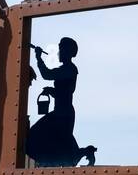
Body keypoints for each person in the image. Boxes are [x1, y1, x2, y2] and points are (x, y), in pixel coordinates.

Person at [25, 38, 98, 167]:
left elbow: (47, 74)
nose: (59, 53)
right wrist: (51, 91)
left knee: (36, 136)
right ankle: (87, 152)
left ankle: (85, 152)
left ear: (67, 52)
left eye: (61, 50)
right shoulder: (68, 69)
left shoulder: (69, 69)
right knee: (61, 145)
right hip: (62, 112)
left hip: (62, 114)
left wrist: (38, 58)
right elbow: (63, 92)